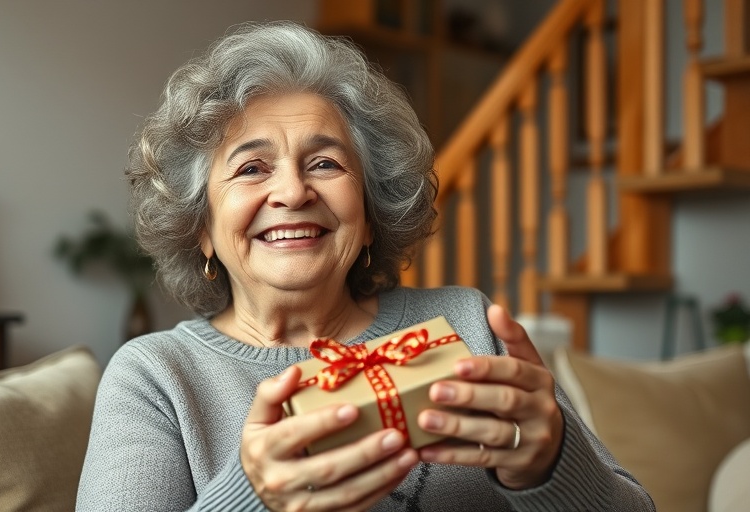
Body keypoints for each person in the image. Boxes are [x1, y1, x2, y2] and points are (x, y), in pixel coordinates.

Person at [76, 21, 654, 511]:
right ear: (200, 226)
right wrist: (252, 497)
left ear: (371, 211)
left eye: (325, 163)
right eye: (251, 169)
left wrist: (550, 465)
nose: (293, 192)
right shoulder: (157, 377)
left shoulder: (466, 325)